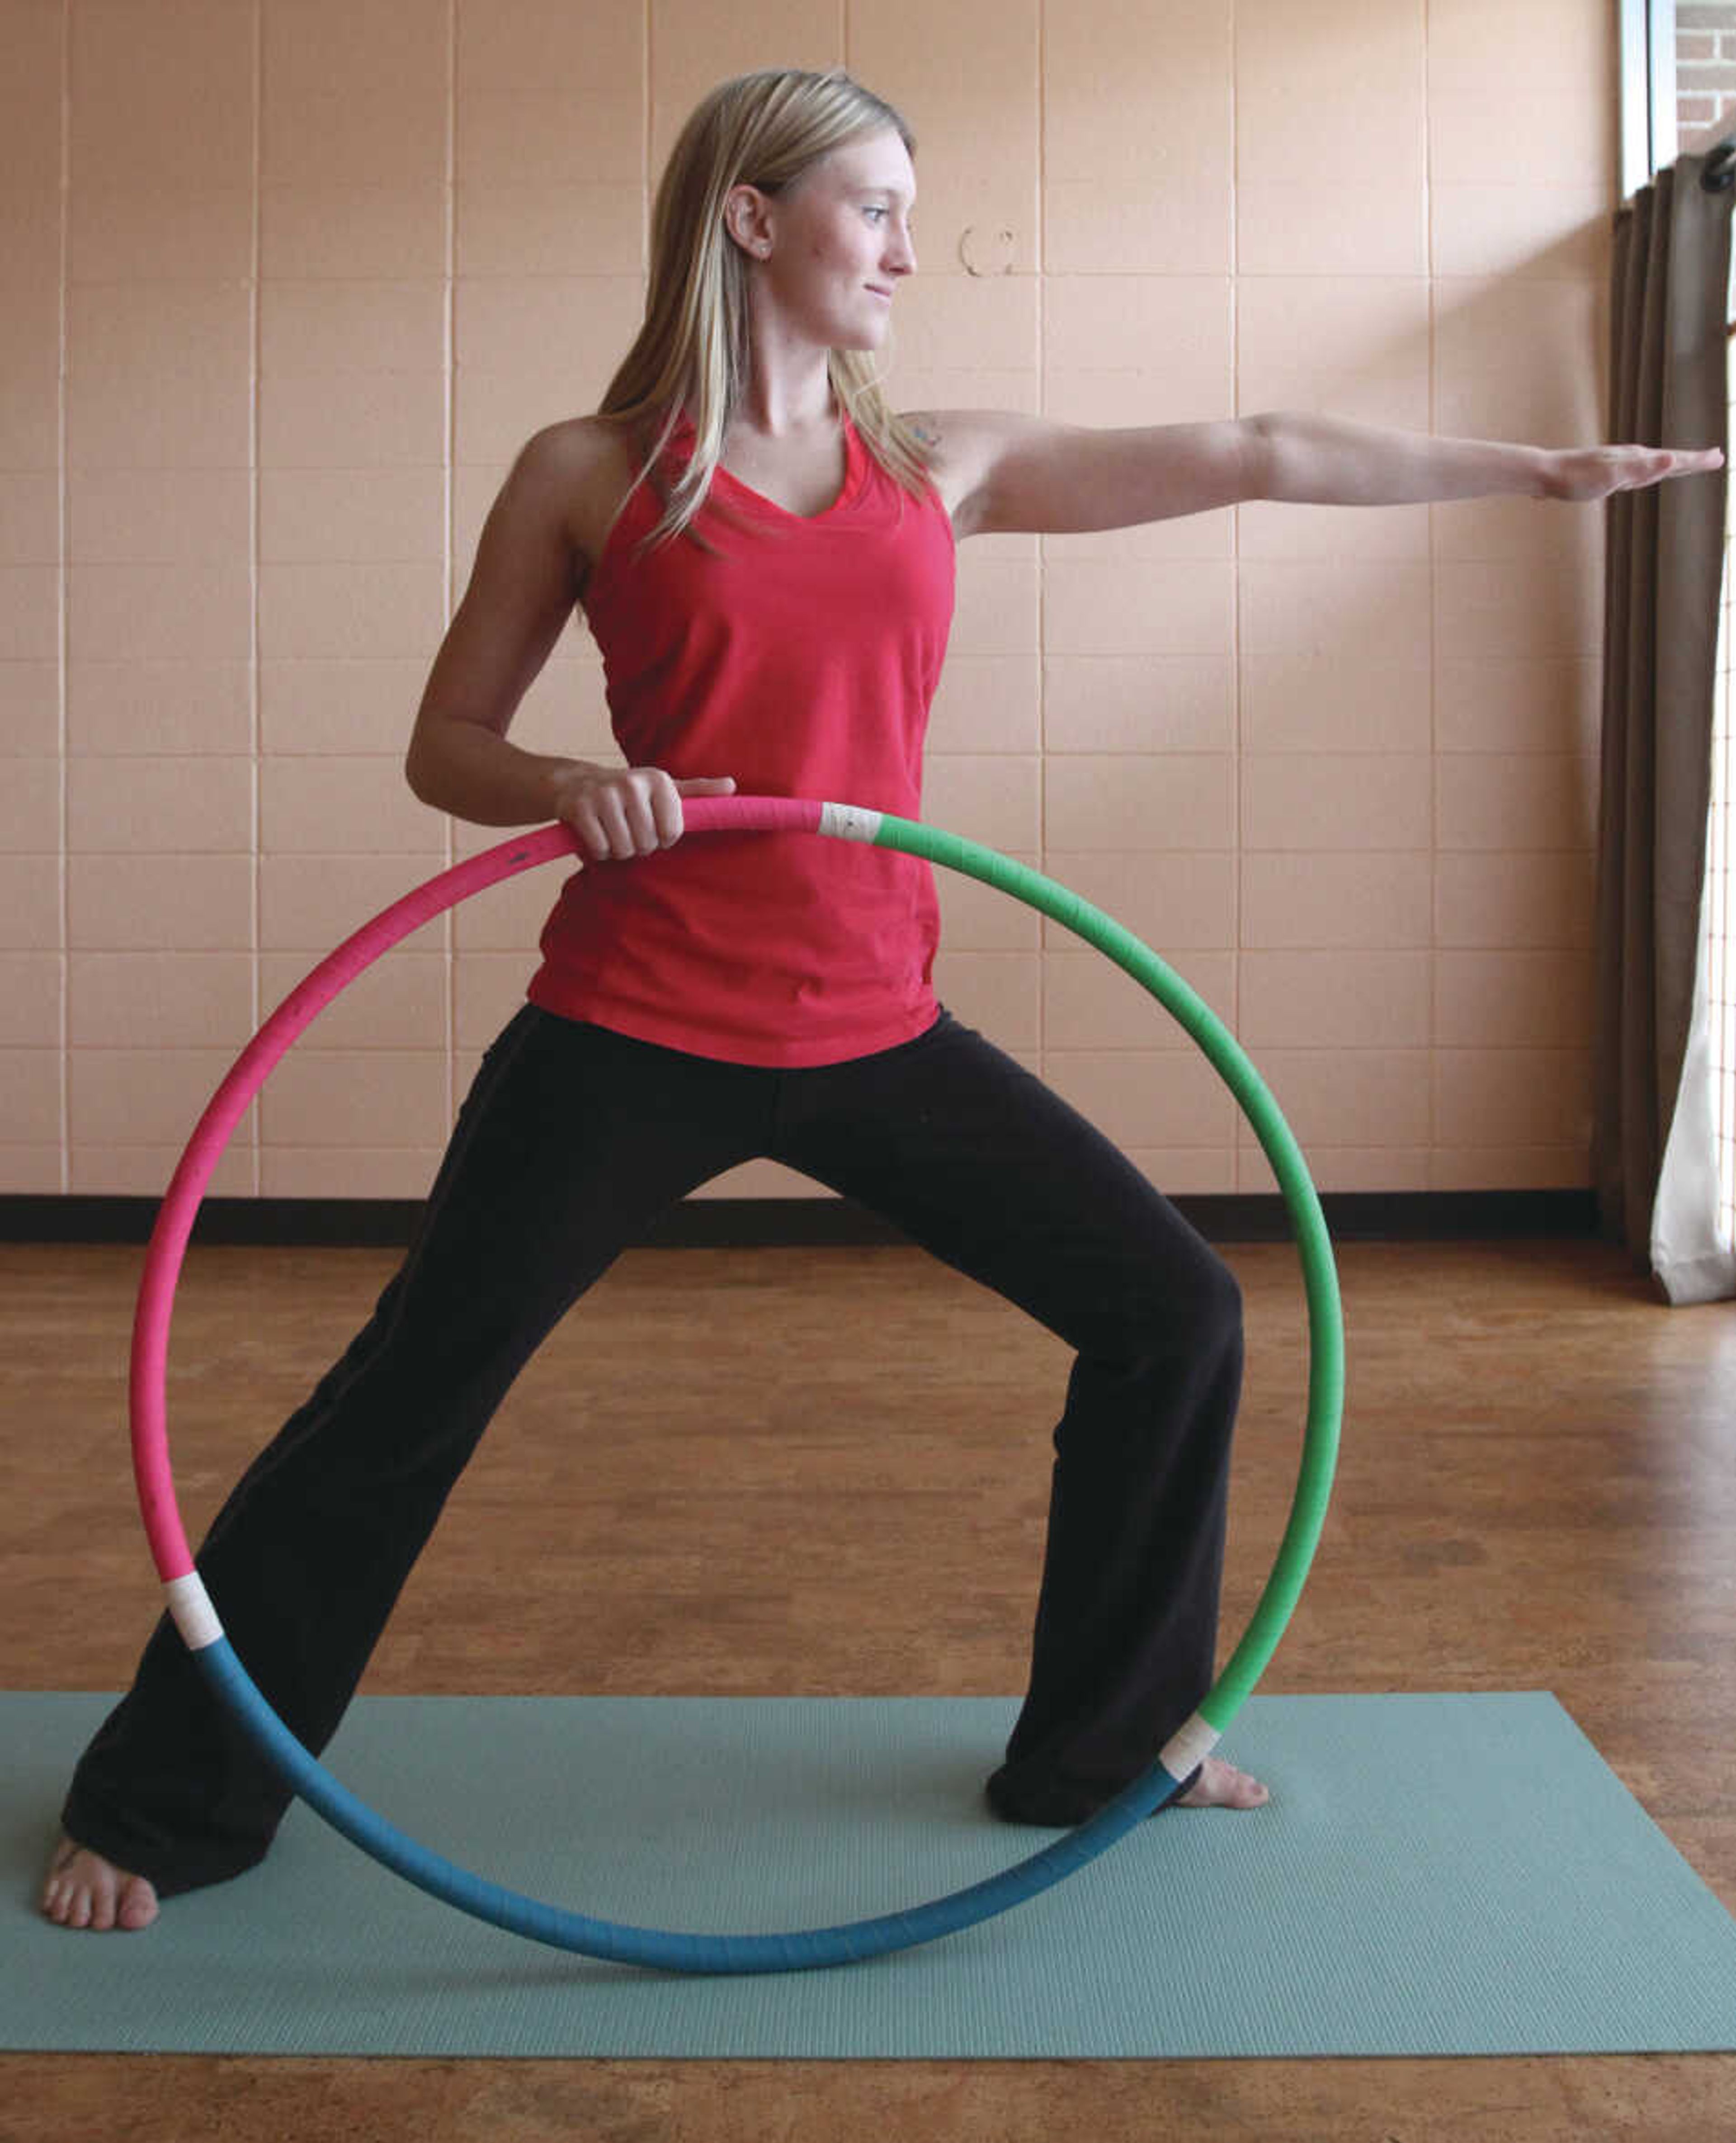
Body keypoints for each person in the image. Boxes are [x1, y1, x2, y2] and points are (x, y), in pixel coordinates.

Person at [42, 66, 1723, 1933]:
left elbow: (1255, 446)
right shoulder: (590, 474)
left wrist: (1543, 473)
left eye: (913, 212)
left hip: (874, 1026)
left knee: (1172, 1309)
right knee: (401, 1405)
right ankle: (169, 1804)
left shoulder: (938, 465)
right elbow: (449, 742)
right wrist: (564, 792)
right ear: (750, 219)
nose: (910, 250)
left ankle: (1105, 1750)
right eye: (873, 208)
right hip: (630, 1031)